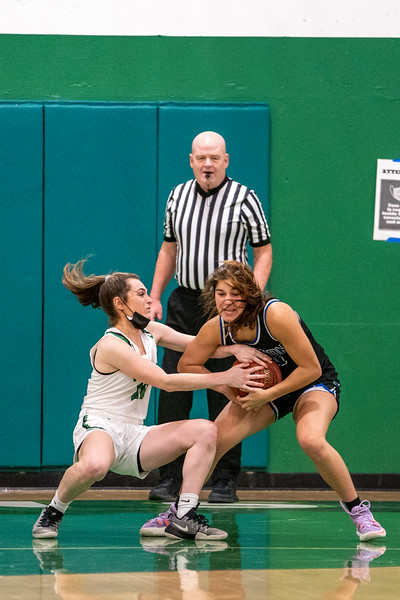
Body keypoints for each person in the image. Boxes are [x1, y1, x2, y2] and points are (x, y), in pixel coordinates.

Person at [141, 261, 386, 542]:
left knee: (311, 439)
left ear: (249, 294)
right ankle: (179, 512)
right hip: (265, 390)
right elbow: (187, 364)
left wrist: (267, 396)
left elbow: (311, 368)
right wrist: (226, 386)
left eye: (235, 293)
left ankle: (359, 512)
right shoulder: (218, 327)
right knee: (213, 439)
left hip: (311, 383)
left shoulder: (275, 314)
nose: (227, 301)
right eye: (221, 293)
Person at [32, 260, 265, 542]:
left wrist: (234, 349)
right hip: (100, 426)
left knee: (206, 430)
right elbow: (165, 381)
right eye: (141, 294)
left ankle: (183, 516)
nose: (149, 299)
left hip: (135, 434)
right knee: (95, 466)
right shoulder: (112, 345)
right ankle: (54, 510)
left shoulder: (151, 331)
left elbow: (196, 345)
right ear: (120, 304)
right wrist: (225, 377)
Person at [149, 130, 272, 504]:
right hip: (184, 302)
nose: (207, 164)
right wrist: (154, 295)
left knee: (229, 389)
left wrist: (249, 298)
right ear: (191, 160)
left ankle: (224, 480)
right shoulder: (177, 196)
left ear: (225, 160)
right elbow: (168, 249)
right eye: (201, 158)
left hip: (227, 306)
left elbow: (264, 253)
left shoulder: (245, 198)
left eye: (214, 158)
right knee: (174, 388)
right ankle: (169, 476)